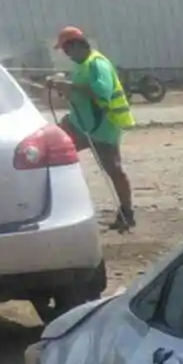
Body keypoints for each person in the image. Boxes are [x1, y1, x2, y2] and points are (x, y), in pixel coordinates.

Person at [49, 26, 136, 231]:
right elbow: (78, 92)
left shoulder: (97, 64)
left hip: (102, 127)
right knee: (50, 154)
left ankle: (127, 212)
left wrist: (70, 87)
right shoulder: (81, 65)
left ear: (77, 45)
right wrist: (61, 86)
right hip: (79, 123)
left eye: (66, 49)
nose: (66, 54)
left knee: (113, 170)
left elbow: (102, 92)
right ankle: (58, 210)